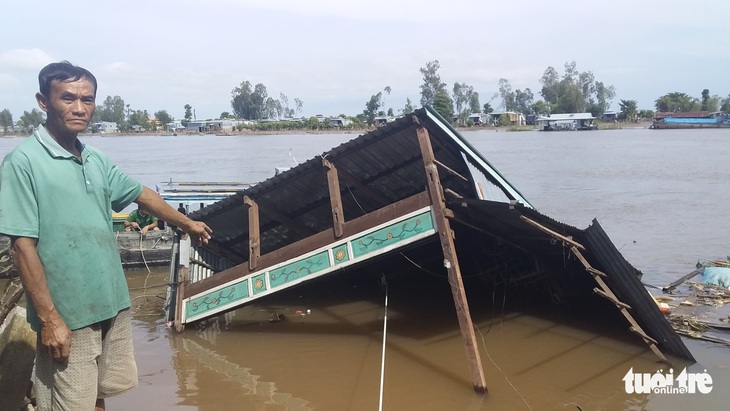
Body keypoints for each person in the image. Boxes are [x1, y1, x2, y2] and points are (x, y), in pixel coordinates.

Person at [0, 61, 212, 411]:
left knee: (98, 394)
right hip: (68, 311)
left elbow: (140, 193)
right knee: (69, 401)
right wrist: (51, 320)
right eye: (68, 98)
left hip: (111, 301)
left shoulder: (93, 158)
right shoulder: (23, 163)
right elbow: (23, 246)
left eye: (88, 99)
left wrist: (184, 223)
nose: (80, 108)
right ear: (43, 101)